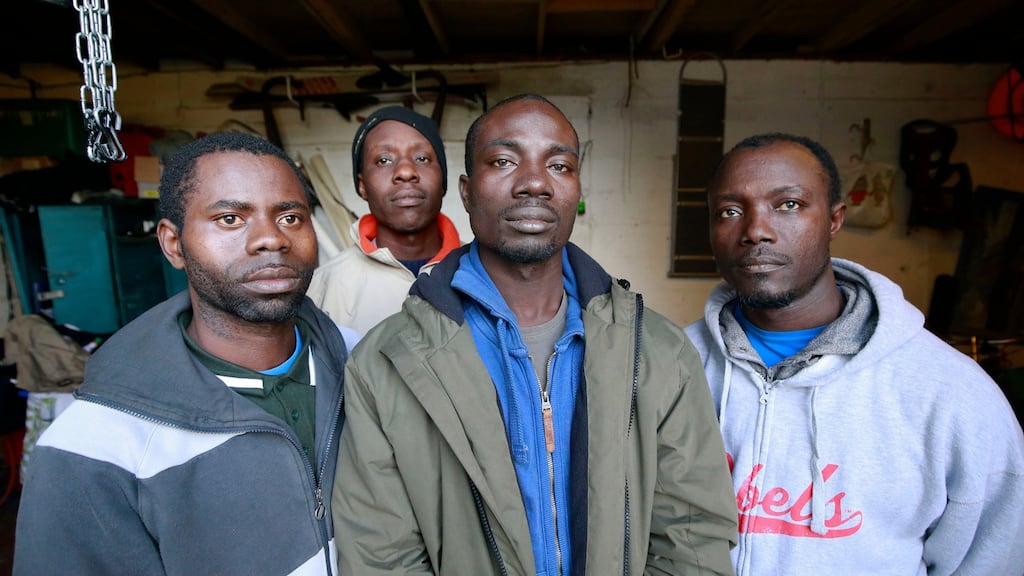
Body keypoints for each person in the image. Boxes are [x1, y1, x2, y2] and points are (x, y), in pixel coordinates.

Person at [333, 94, 737, 575]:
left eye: (559, 166)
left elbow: (692, 539)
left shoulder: (658, 351)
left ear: (576, 189)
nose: (534, 182)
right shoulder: (385, 362)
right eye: (504, 161)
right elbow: (383, 557)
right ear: (466, 192)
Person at [685, 132, 1024, 575]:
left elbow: (994, 560)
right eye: (730, 211)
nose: (755, 231)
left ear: (834, 219)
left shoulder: (950, 391)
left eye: (788, 204)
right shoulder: (671, 367)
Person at [14, 131, 348, 576]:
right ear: (173, 244)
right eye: (230, 218)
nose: (271, 239)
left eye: (290, 217)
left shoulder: (363, 367)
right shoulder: (94, 441)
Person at [307, 106, 463, 334]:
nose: (406, 172)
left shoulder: (485, 274)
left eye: (422, 158)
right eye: (383, 160)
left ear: (443, 180)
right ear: (362, 185)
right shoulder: (323, 289)